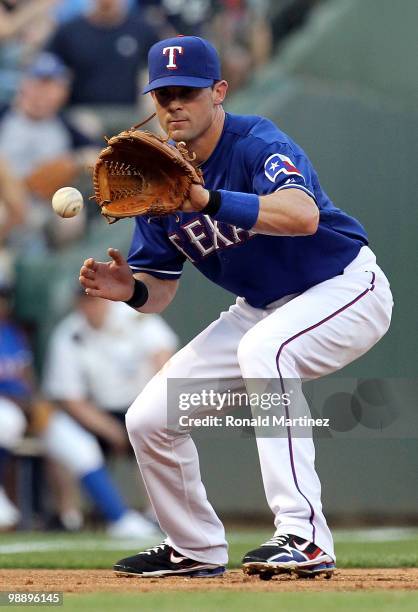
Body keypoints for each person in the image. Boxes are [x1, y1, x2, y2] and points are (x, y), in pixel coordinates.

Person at [79, 36, 393, 578]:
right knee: (150, 418)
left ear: (219, 92)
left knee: (265, 351)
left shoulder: (255, 142)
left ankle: (304, 535)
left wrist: (208, 201)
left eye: (188, 91)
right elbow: (160, 292)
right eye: (164, 93)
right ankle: (194, 548)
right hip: (263, 309)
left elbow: (302, 216)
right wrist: (128, 288)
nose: (174, 103)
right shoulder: (155, 181)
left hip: (345, 286)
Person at [41, 288, 177, 537]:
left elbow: (163, 356)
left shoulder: (133, 316)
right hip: (96, 415)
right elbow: (71, 399)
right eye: (84, 301)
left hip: (140, 405)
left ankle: (159, 517)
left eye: (94, 300)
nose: (91, 307)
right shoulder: (68, 334)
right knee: (63, 439)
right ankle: (69, 518)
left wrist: (153, 405)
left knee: (155, 438)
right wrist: (111, 430)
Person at [0, 51, 98, 252]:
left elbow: (101, 155)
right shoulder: (4, 115)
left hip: (45, 202)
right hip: (6, 198)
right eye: (37, 83)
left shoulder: (66, 125)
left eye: (51, 85)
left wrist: (76, 160)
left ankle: (63, 276)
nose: (42, 92)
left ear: (62, 92)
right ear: (24, 85)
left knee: (71, 216)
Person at [45, 0, 159, 107]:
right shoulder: (69, 31)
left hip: (128, 111)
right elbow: (50, 69)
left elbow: (156, 69)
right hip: (81, 110)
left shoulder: (142, 31)